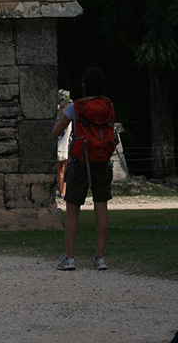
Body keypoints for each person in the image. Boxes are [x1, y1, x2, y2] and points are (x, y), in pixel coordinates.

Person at [52, 66, 116, 271]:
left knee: (72, 209)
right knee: (101, 207)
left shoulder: (76, 107)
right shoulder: (108, 106)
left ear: (84, 85)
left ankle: (69, 257)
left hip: (80, 160)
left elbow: (56, 132)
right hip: (102, 159)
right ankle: (100, 258)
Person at [55, 89, 71, 199]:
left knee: (60, 171)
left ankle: (62, 191)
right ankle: (63, 191)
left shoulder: (60, 120)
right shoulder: (69, 118)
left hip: (61, 146)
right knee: (65, 171)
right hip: (67, 146)